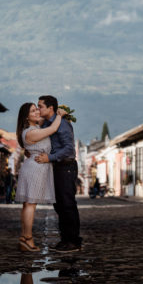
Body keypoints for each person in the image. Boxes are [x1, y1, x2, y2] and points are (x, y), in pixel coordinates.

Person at [34, 95, 82, 252]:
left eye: (40, 106)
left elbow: (69, 149)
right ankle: (65, 239)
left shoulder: (63, 124)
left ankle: (73, 241)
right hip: (56, 167)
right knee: (59, 205)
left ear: (50, 108)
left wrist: (50, 157)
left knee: (67, 204)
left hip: (66, 167)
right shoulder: (49, 123)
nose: (38, 108)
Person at [15, 102, 63, 252]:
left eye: (37, 109)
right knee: (30, 204)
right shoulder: (31, 132)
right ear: (26, 116)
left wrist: (49, 112)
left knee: (27, 204)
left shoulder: (34, 128)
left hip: (34, 166)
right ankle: (28, 238)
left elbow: (46, 119)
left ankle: (24, 237)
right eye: (33, 111)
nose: (37, 113)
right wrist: (61, 114)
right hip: (35, 168)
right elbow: (53, 128)